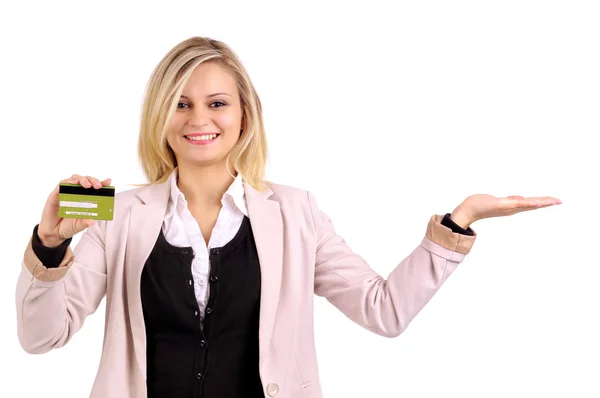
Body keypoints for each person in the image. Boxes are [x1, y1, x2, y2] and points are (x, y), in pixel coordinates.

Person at [15, 37, 561, 398]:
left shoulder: (295, 212)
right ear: (159, 116)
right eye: (180, 104)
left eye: (217, 103)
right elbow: (41, 339)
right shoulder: (118, 216)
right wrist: (48, 246)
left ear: (244, 114)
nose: (199, 118)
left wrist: (459, 221)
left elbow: (384, 311)